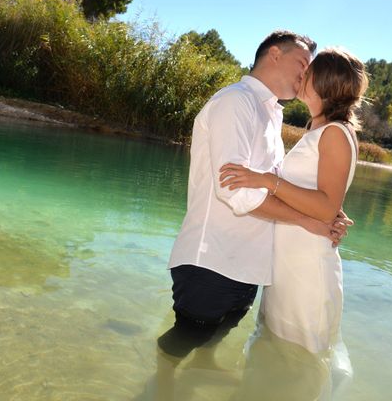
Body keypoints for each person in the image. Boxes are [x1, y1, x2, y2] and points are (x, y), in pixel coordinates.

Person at [157, 31, 352, 363]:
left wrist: (331, 210)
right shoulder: (236, 102)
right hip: (213, 261)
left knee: (211, 342)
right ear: (274, 54)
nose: (306, 74)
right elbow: (236, 190)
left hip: (249, 266)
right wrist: (310, 221)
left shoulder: (270, 113)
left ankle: (194, 383)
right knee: (183, 342)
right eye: (302, 63)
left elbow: (276, 182)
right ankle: (159, 387)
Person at [219, 46, 369, 355]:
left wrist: (265, 180)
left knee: (298, 356)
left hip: (306, 265)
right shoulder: (319, 128)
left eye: (309, 70)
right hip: (288, 259)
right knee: (272, 352)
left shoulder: (336, 133)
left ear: (324, 82)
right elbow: (320, 197)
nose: (302, 74)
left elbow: (326, 206)